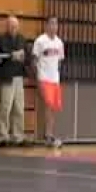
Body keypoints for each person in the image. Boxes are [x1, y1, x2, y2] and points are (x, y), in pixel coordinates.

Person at [33, 16, 65, 148]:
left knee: (53, 108)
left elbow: (60, 61)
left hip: (54, 79)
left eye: (56, 24)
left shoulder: (59, 43)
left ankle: (50, 134)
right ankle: (47, 135)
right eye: (51, 24)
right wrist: (38, 78)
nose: (54, 26)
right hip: (44, 78)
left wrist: (56, 76)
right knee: (47, 106)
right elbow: (34, 60)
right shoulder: (40, 41)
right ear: (46, 25)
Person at [0, 14, 28, 147]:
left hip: (18, 77)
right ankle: (3, 136)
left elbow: (25, 54)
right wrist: (12, 55)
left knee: (19, 108)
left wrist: (21, 55)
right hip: (7, 77)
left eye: (15, 26)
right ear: (7, 26)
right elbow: (1, 54)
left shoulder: (22, 39)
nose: (13, 28)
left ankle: (18, 136)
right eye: (11, 26)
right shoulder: (1, 40)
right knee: (6, 108)